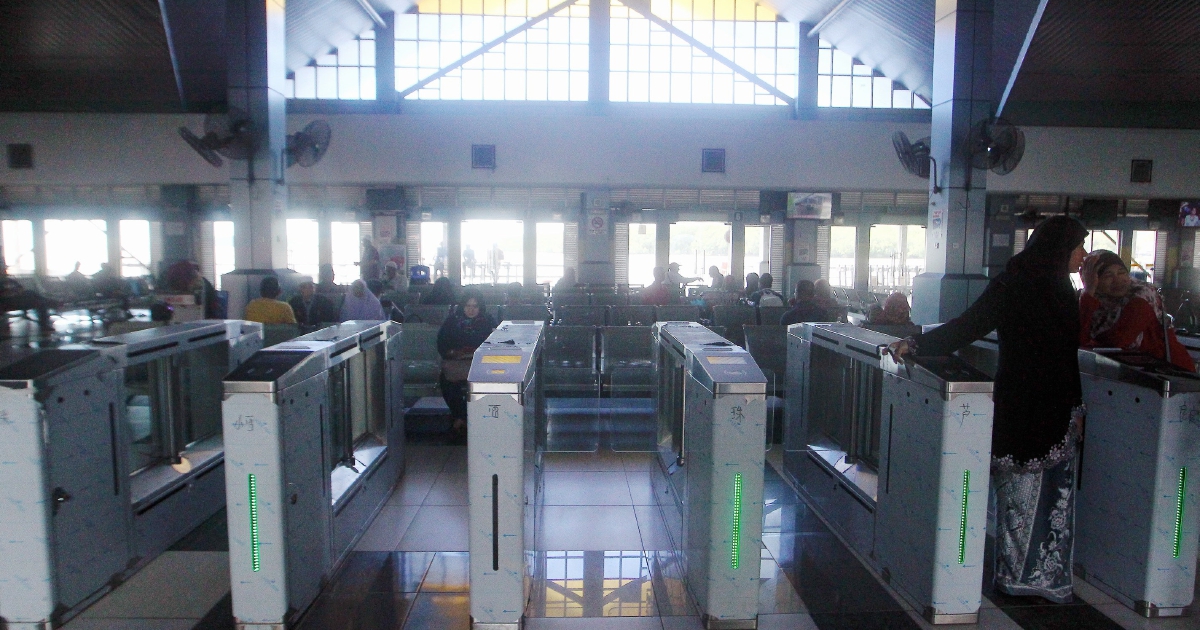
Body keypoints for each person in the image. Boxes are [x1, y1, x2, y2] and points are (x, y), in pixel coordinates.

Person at [886, 215, 1089, 604]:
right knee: (1027, 491)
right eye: (1078, 247)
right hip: (1033, 403)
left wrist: (1075, 406)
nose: (1083, 255)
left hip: (1042, 402)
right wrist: (915, 343)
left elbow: (1064, 354)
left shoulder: (1048, 286)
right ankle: (1023, 576)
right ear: (1058, 249)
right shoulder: (1029, 287)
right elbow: (969, 326)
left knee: (1040, 495)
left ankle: (1033, 575)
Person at [1079, 250, 1194, 371]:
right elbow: (1080, 338)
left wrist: (1090, 342)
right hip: (1128, 373)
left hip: (1169, 371)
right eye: (1108, 275)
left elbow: (1118, 340)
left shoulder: (1142, 296)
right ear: (1092, 279)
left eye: (1122, 272)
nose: (1118, 280)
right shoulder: (1090, 298)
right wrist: (1089, 292)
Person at [437, 291, 497, 438]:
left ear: (480, 307)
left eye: (475, 306)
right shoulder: (452, 322)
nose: (471, 310)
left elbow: (497, 343)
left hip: (482, 365)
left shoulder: (488, 321)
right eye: (467, 306)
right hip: (457, 364)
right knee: (447, 382)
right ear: (462, 307)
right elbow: (442, 344)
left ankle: (461, 418)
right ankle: (462, 416)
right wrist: (454, 352)